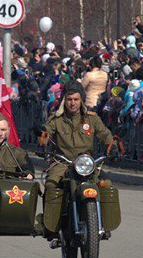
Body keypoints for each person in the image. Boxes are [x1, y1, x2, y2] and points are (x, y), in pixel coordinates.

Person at [40, 83, 116, 236]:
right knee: (51, 185)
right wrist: (42, 140)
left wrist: (112, 147)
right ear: (64, 101)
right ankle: (51, 226)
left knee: (106, 185)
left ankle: (103, 224)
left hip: (87, 163)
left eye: (76, 99)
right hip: (63, 163)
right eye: (69, 99)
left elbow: (105, 134)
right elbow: (46, 133)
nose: (73, 103)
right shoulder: (56, 119)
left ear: (81, 100)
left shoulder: (92, 119)